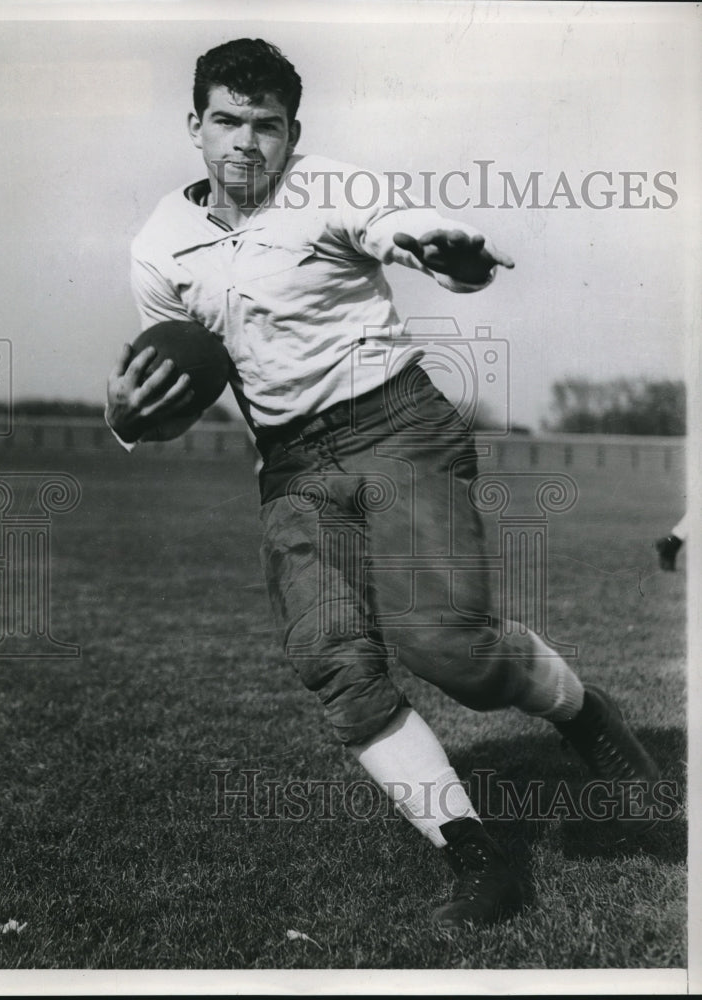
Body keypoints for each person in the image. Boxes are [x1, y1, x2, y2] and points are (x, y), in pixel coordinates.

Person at [106, 38, 665, 931]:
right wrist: (129, 414)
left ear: (294, 133)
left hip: (397, 428)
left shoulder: (329, 186)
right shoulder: (158, 248)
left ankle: (582, 710)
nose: (245, 144)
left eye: (266, 126)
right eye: (226, 122)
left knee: (452, 651)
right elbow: (174, 379)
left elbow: (400, 230)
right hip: (291, 463)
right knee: (333, 661)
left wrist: (448, 251)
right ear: (194, 126)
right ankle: (473, 854)